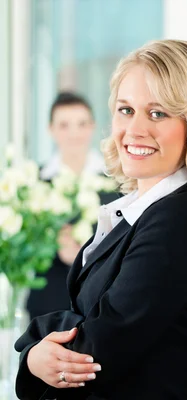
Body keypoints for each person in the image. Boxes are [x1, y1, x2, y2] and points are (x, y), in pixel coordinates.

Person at [15, 39, 187, 399]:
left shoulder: (179, 221)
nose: (134, 130)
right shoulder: (142, 208)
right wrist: (40, 349)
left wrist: (33, 350)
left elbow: (96, 352)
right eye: (126, 110)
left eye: (158, 113)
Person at [27, 92, 117, 320]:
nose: (74, 133)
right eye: (64, 125)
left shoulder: (116, 180)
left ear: (92, 127)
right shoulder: (34, 181)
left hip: (100, 304)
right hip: (46, 303)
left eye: (81, 124)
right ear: (51, 129)